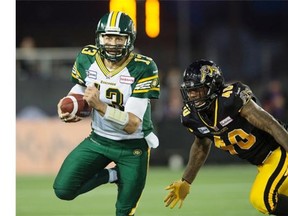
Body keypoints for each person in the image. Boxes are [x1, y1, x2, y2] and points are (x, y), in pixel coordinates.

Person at [53, 11, 160, 216]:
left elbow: (132, 125)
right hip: (99, 140)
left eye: (119, 38)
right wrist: (68, 105)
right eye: (108, 37)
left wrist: (99, 106)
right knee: (63, 189)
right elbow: (79, 90)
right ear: (99, 37)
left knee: (124, 212)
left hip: (132, 147)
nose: (112, 43)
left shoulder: (144, 67)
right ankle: (113, 175)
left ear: (129, 40)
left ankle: (121, 176)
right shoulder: (87, 57)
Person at [164, 59, 288, 215]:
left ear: (213, 87)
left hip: (279, 151)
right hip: (263, 164)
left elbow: (271, 124)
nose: (192, 95)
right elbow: (201, 145)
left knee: (262, 198)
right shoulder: (191, 116)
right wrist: (186, 181)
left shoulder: (231, 99)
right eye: (189, 90)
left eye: (198, 89)